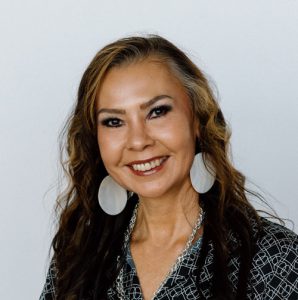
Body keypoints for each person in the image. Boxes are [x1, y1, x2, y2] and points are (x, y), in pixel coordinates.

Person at [40, 35, 298, 300]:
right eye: (114, 122)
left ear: (197, 119)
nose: (138, 141)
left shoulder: (273, 258)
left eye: (157, 111)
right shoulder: (79, 254)